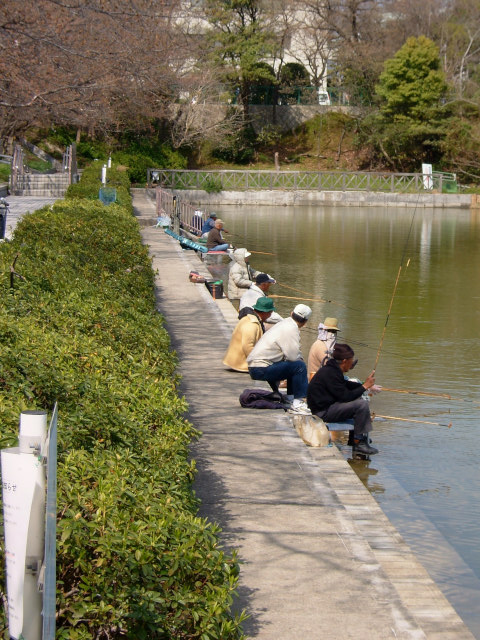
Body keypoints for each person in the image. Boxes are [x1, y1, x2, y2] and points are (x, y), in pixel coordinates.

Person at [306, 343, 379, 455]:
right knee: (361, 405)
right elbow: (345, 397)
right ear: (344, 361)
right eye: (351, 361)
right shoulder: (330, 372)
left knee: (358, 399)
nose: (351, 364)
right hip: (322, 412)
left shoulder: (332, 369)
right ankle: (359, 442)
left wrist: (364, 385)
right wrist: (364, 386)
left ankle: (354, 438)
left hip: (327, 407)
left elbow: (344, 384)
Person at [247, 304, 312, 415]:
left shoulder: (285, 323)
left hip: (255, 367)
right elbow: (293, 357)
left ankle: (290, 399)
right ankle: (298, 403)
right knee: (299, 366)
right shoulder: (291, 329)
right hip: (260, 369)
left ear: (291, 313)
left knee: (294, 365)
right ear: (305, 322)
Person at [223, 297, 275, 372]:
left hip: (238, 361)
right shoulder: (251, 324)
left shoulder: (248, 318)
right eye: (270, 313)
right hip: (241, 364)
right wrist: (259, 364)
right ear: (265, 312)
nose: (270, 315)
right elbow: (247, 346)